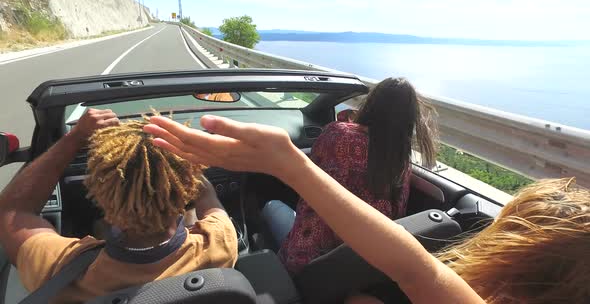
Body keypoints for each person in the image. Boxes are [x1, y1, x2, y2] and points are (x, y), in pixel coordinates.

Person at [144, 114, 589, 304]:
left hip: (308, 246)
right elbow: (418, 270)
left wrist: (289, 166)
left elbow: (417, 269)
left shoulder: (339, 133)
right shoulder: (399, 157)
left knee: (276, 206)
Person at [0, 109, 238, 303]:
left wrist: (76, 137)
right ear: (186, 186)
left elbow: (11, 212)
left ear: (97, 192)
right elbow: (210, 201)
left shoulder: (60, 268)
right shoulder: (219, 243)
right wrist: (185, 161)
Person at [263, 77, 439, 273]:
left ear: (371, 103)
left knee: (271, 206)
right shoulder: (401, 162)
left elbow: (305, 177)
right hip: (360, 266)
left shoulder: (337, 133)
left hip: (307, 259)